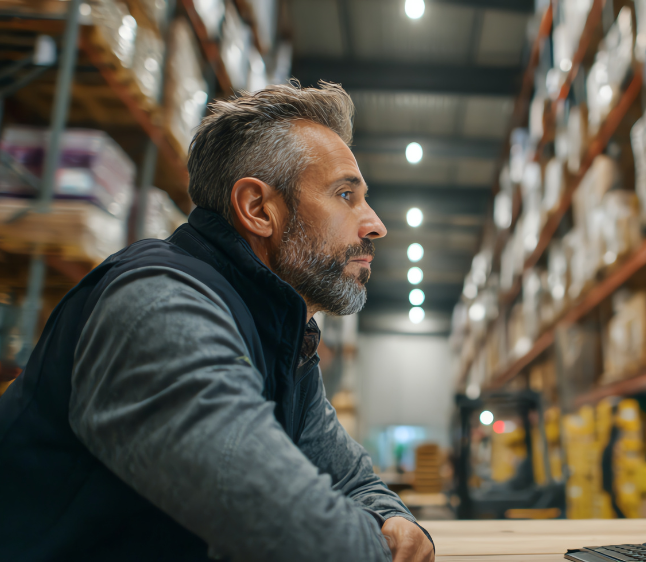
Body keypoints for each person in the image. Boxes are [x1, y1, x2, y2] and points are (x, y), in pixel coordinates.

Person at [0, 82, 435, 562]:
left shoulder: (283, 338)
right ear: (257, 209)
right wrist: (383, 544)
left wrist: (393, 519)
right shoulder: (160, 307)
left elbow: (351, 479)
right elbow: (283, 526)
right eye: (345, 194)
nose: (375, 224)